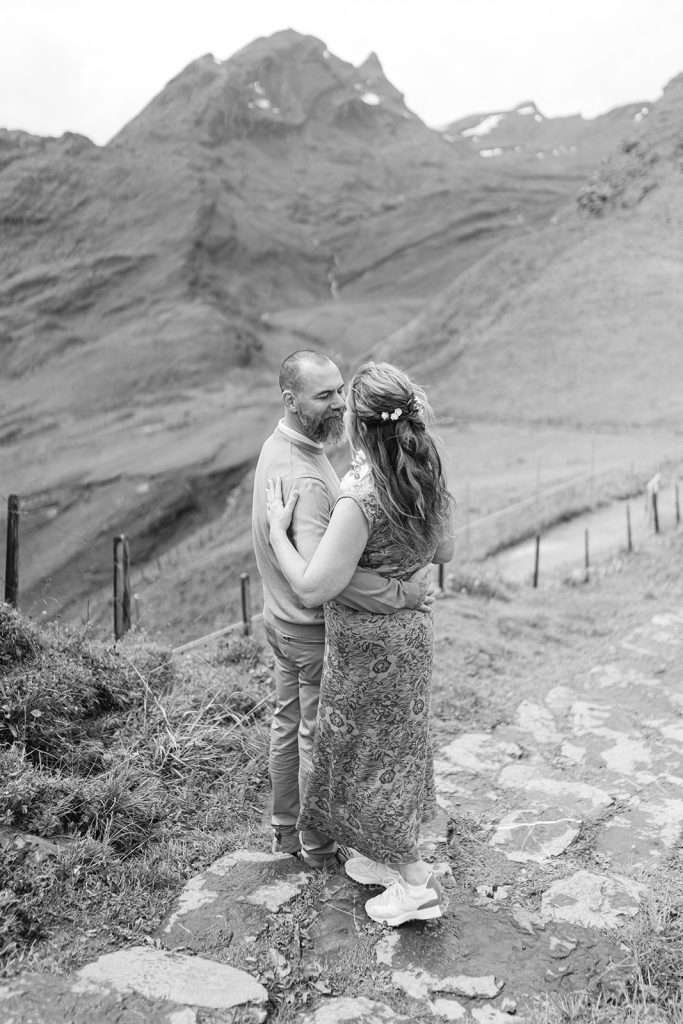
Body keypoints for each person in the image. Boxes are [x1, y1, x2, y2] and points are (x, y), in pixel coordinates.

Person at [266, 360, 454, 926]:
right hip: (411, 642)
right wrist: (401, 581)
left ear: (361, 427)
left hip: (366, 652)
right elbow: (442, 552)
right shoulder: (425, 471)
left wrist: (279, 532)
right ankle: (382, 856)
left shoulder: (360, 500)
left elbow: (313, 584)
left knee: (371, 759)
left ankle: (415, 884)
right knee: (395, 751)